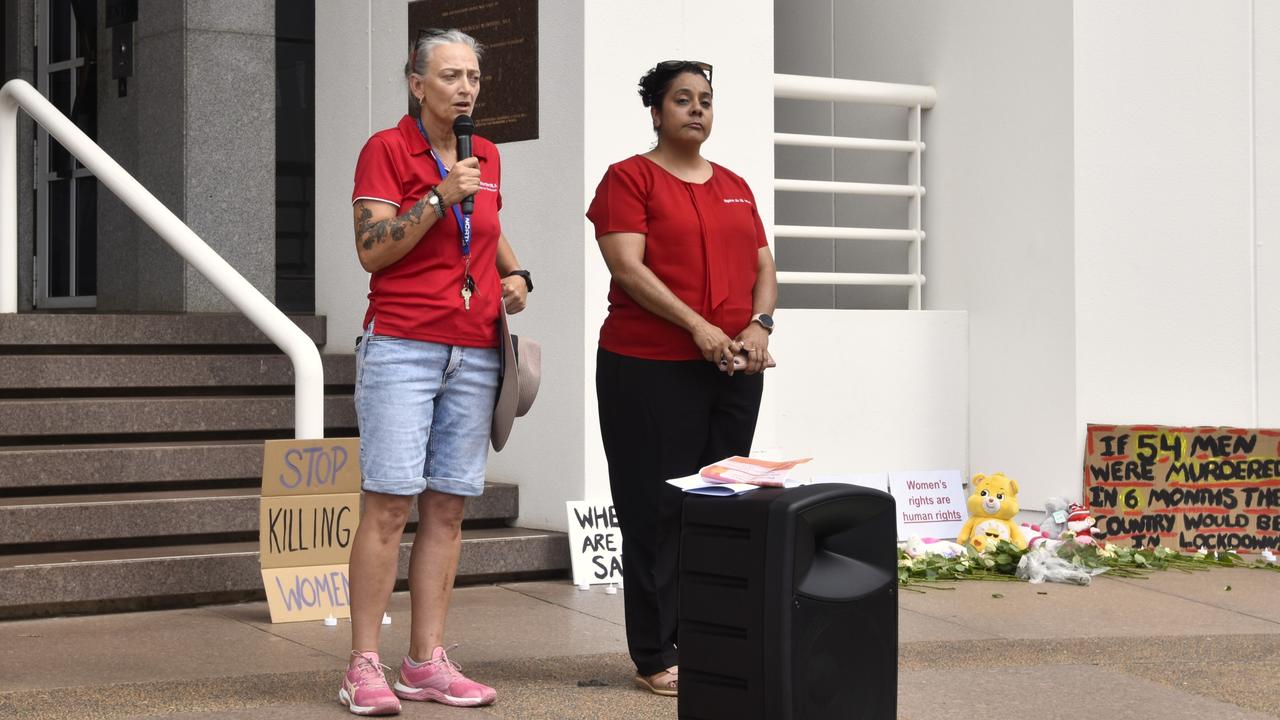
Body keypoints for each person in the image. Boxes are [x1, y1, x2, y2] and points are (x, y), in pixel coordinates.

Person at [340, 28, 532, 716]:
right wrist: (439, 196)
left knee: (447, 509)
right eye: (451, 76)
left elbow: (490, 222)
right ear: (416, 83)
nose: (466, 89)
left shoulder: (488, 155)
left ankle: (425, 662)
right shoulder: (386, 150)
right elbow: (371, 249)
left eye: (474, 78)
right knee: (389, 504)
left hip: (477, 348)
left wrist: (516, 274)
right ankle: (363, 663)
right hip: (402, 346)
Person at [586, 60, 778, 697]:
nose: (696, 109)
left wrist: (760, 326)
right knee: (655, 510)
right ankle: (655, 651)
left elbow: (763, 267)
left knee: (720, 508)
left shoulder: (736, 186)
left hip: (734, 369)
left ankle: (711, 638)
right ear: (656, 112)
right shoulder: (629, 178)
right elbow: (628, 269)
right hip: (647, 370)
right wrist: (699, 327)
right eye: (682, 100)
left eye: (705, 100)